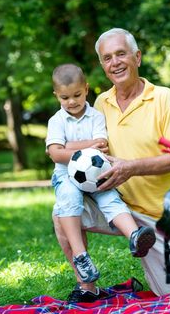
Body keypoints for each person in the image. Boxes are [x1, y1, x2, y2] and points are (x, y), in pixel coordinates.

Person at [52, 29, 170, 303]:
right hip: (114, 205)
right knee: (63, 212)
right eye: (107, 58)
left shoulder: (162, 98)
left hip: (157, 218)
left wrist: (130, 167)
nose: (115, 62)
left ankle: (161, 255)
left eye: (121, 54)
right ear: (103, 66)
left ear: (137, 57)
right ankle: (87, 285)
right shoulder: (100, 104)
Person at [46, 63, 156, 289]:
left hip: (95, 174)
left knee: (110, 198)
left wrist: (68, 146)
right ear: (56, 95)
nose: (72, 102)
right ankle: (80, 256)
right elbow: (56, 155)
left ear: (86, 89)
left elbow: (102, 146)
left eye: (77, 95)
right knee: (68, 199)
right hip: (66, 177)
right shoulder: (56, 121)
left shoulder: (96, 116)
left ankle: (135, 236)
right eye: (65, 98)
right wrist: (85, 145)